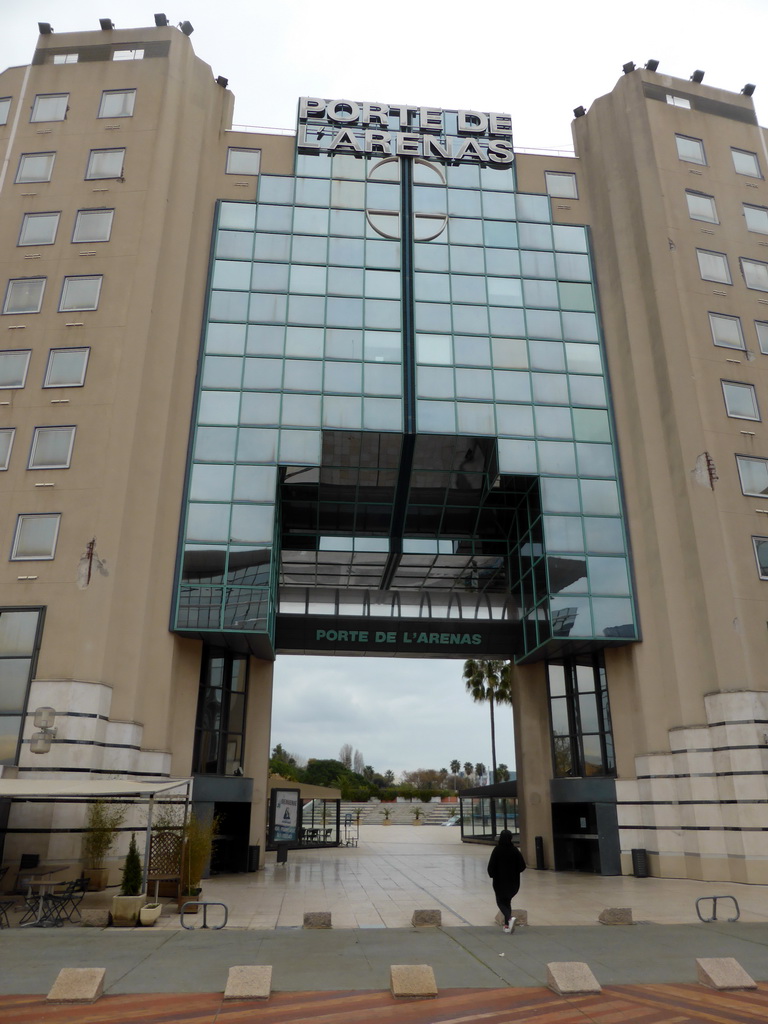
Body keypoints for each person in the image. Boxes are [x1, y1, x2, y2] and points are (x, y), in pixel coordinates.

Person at [487, 829, 526, 933]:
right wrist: (514, 872)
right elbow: (522, 866)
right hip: (513, 882)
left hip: (499, 882)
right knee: (507, 901)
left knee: (500, 901)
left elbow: (491, 866)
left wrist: (493, 875)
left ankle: (509, 918)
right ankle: (507, 926)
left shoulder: (497, 850)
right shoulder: (514, 850)